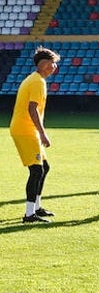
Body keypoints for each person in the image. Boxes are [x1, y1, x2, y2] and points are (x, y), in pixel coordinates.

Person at [9, 47, 59, 224]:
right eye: (53, 64)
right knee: (36, 170)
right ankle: (29, 214)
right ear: (44, 64)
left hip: (27, 130)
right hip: (25, 130)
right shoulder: (37, 81)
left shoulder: (35, 79)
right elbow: (32, 109)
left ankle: (36, 207)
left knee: (44, 167)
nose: (55, 67)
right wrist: (43, 133)